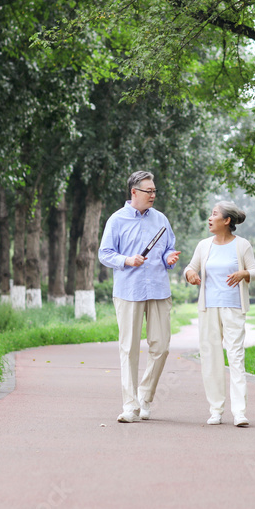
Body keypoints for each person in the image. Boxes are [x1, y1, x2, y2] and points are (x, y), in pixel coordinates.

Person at [99, 171, 181, 423]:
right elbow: (105, 253)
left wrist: (169, 258)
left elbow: (168, 247)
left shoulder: (161, 219)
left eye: (155, 191)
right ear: (134, 192)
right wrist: (127, 260)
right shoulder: (117, 220)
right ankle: (130, 406)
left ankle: (145, 397)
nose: (153, 195)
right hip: (128, 292)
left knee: (161, 346)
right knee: (129, 349)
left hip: (158, 290)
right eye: (149, 191)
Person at [184, 201, 255, 427]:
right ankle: (216, 410)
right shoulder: (204, 245)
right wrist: (190, 275)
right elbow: (190, 267)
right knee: (211, 359)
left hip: (234, 307)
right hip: (208, 309)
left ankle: (239, 413)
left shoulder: (242, 245)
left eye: (214, 214)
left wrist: (243, 273)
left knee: (236, 357)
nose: (210, 218)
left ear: (227, 221)